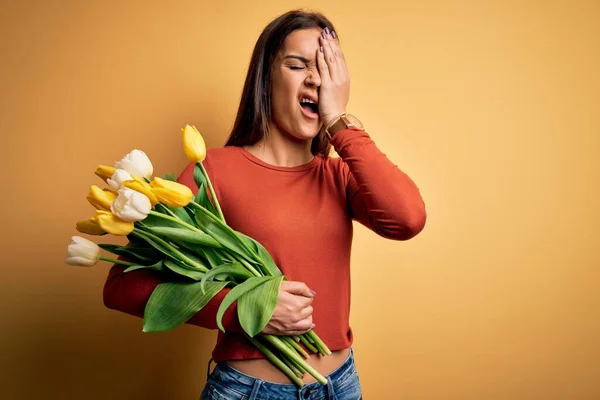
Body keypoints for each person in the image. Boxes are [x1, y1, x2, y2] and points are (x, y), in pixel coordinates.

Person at [103, 9, 426, 400]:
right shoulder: (213, 172)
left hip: (340, 386)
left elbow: (407, 218)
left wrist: (339, 122)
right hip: (249, 391)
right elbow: (121, 286)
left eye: (327, 68)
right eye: (297, 64)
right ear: (266, 76)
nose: (315, 78)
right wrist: (247, 309)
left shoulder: (339, 177)